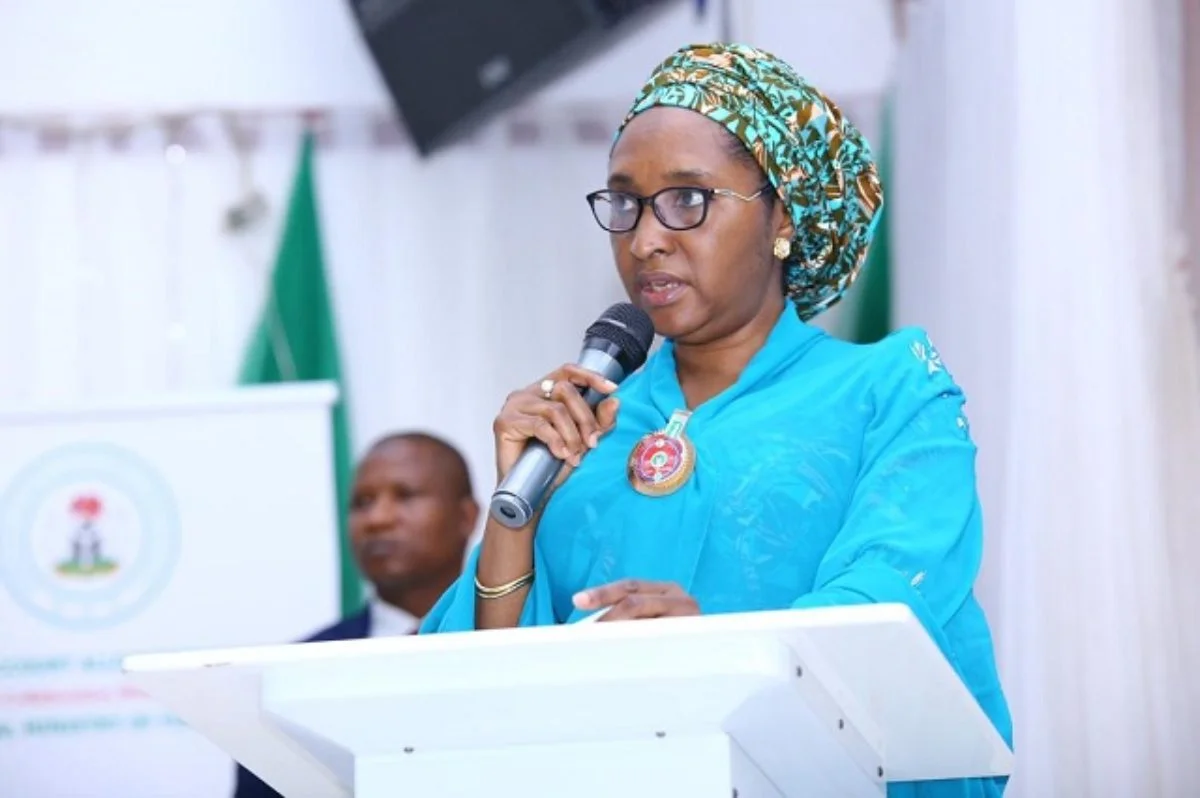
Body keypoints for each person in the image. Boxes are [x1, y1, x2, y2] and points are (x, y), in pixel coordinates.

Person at [421, 42, 1012, 797]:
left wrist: (715, 655)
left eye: (687, 199)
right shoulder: (585, 424)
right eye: (625, 204)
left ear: (782, 216)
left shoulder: (888, 391)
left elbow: (885, 607)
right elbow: (473, 706)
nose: (645, 240)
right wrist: (515, 518)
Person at [233, 431, 478, 798]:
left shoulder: (523, 640)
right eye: (362, 503)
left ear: (466, 516)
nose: (377, 519)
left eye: (405, 495)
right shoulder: (291, 675)